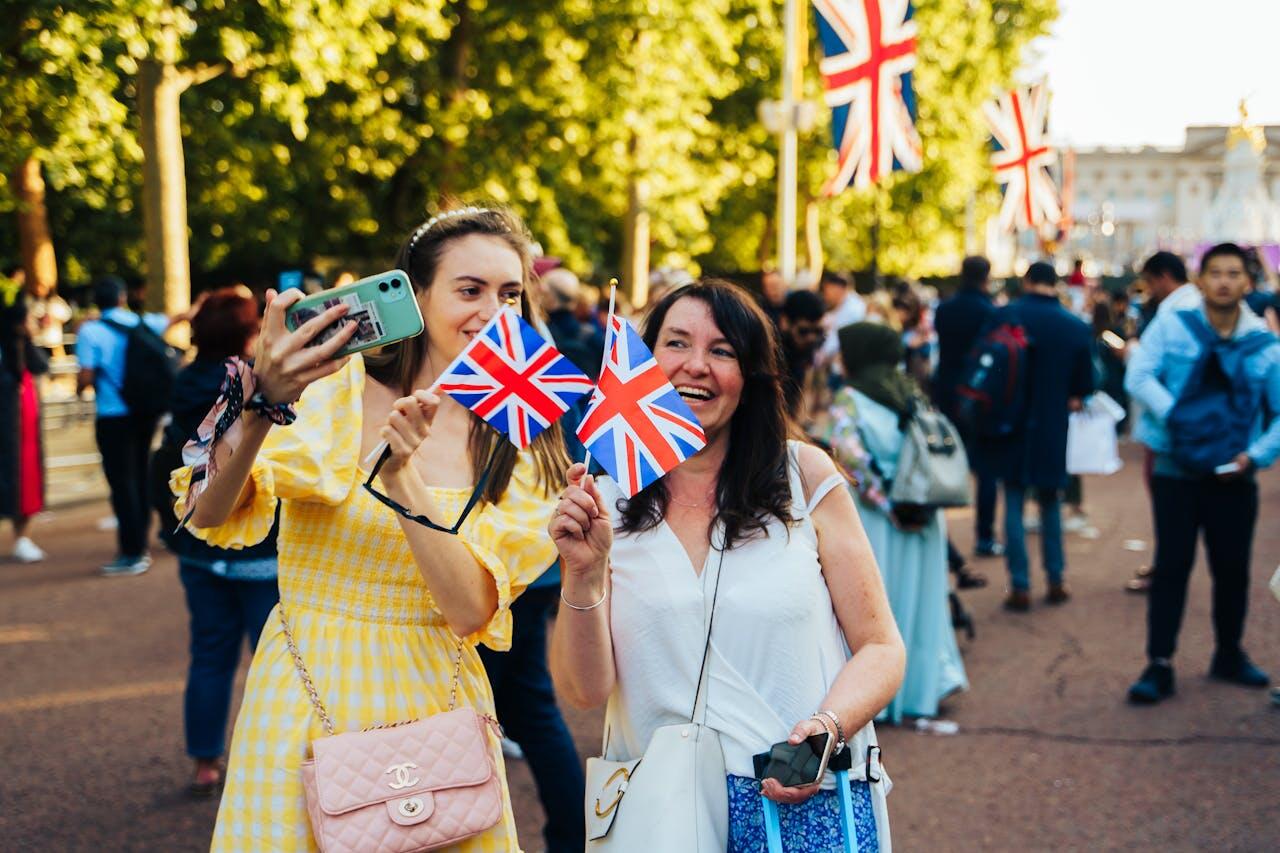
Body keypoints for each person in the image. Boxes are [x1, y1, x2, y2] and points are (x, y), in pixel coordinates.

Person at [174, 206, 568, 851]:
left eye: (510, 294)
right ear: (414, 296)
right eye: (469, 290)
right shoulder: (331, 387)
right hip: (307, 686)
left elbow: (470, 610)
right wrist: (264, 401)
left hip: (436, 692)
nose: (493, 312)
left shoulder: (523, 433)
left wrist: (401, 476)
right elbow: (206, 513)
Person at [548, 279, 904, 850]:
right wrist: (583, 573)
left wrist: (827, 730)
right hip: (662, 810)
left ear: (751, 376)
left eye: (722, 351)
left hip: (797, 800)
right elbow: (584, 692)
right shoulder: (604, 501)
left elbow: (882, 647)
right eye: (677, 344)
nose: (696, 366)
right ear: (644, 360)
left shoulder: (803, 477)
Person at [1124, 242, 1280, 704]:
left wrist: (1254, 456)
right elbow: (1139, 376)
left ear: (1247, 283)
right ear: (1200, 280)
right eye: (1216, 273)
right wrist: (1180, 416)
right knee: (1172, 566)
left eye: (1234, 274)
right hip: (1177, 467)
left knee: (1231, 570)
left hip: (1235, 473)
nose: (1225, 281)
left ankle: (1229, 653)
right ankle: (1159, 663)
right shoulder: (1173, 325)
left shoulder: (1265, 344)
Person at [150, 288, 281, 798]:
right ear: (250, 334)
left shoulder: (184, 382)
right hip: (258, 547)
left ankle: (205, 761)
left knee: (209, 655)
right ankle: (269, 762)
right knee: (272, 662)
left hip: (200, 546)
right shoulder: (256, 387)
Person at [823, 321, 967, 726]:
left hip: (877, 521)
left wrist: (888, 506)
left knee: (874, 607)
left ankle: (876, 696)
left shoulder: (850, 398)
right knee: (922, 600)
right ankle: (923, 688)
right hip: (923, 514)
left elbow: (851, 460)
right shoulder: (911, 392)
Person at [986, 261, 1094, 611]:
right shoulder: (1074, 325)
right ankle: (1056, 577)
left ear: (1026, 281)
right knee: (1050, 502)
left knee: (1013, 501)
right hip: (1051, 421)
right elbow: (1084, 387)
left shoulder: (1005, 316)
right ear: (1055, 283)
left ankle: (1019, 584)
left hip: (1009, 421)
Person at [75, 276, 172, 576]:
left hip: (114, 414)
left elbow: (86, 376)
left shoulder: (90, 331)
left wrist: (80, 389)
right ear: (121, 297)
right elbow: (173, 320)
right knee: (140, 475)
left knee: (122, 483)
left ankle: (132, 551)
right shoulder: (140, 323)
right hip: (144, 412)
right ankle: (142, 538)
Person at [1126, 251, 1194, 593]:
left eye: (1151, 282)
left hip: (1170, 429)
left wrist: (1175, 415)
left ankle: (1167, 569)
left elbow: (1142, 377)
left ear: (1163, 276)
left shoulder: (1176, 311)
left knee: (1170, 502)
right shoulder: (1186, 307)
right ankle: (1167, 565)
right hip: (1175, 425)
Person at [933, 256, 1001, 557]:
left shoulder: (945, 309)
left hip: (946, 389)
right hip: (977, 393)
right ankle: (984, 536)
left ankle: (938, 535)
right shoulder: (989, 311)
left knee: (940, 460)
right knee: (986, 467)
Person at [1, 266, 48, 562]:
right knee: (21, 469)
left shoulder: (17, 356)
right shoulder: (17, 364)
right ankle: (21, 537)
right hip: (17, 423)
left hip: (17, 422)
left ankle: (21, 536)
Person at [776, 288, 825, 421]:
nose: (811, 338)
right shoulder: (771, 356)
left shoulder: (808, 352)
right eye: (803, 331)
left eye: (818, 332)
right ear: (785, 322)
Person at [818, 270, 867, 364]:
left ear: (837, 289)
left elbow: (837, 338)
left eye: (826, 291)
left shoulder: (852, 308)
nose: (825, 296)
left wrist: (820, 358)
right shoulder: (848, 304)